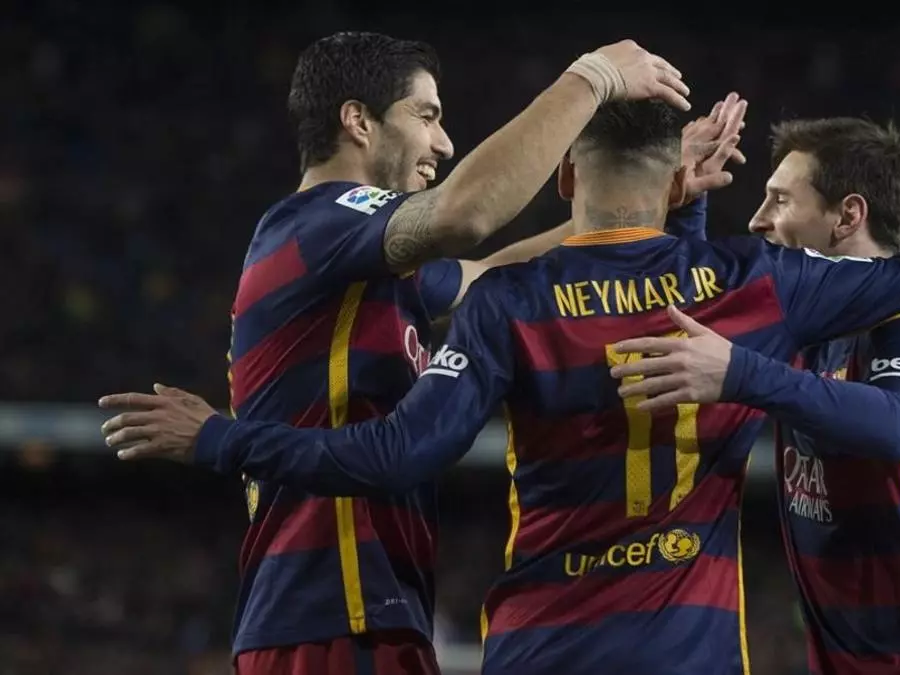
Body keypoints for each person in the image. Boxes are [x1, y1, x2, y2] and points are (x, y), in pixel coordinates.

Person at [99, 101, 900, 675]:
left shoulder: (508, 302)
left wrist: (221, 437)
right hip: (687, 649)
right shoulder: (754, 284)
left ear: (564, 179)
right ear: (676, 181)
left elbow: (395, 453)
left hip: (542, 645)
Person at [171, 30, 692, 675]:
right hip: (331, 616)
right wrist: (591, 78)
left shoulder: (359, 261)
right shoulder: (318, 223)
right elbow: (462, 215)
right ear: (358, 121)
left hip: (362, 615)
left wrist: (639, 203)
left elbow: (491, 277)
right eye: (426, 116)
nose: (444, 143)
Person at [609, 117, 900, 674]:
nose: (757, 220)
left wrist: (745, 373)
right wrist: (685, 206)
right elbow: (693, 319)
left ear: (848, 216)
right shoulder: (813, 333)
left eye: (780, 200)